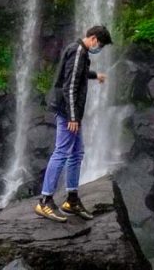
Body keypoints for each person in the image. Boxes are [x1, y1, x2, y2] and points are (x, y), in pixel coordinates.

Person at [34, 24, 113, 222]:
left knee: (77, 153)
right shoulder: (79, 52)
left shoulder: (78, 51)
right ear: (93, 38)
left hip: (69, 110)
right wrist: (72, 117)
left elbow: (77, 74)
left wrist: (95, 75)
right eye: (100, 44)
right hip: (67, 111)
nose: (100, 48)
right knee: (61, 152)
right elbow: (70, 87)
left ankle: (71, 199)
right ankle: (45, 201)